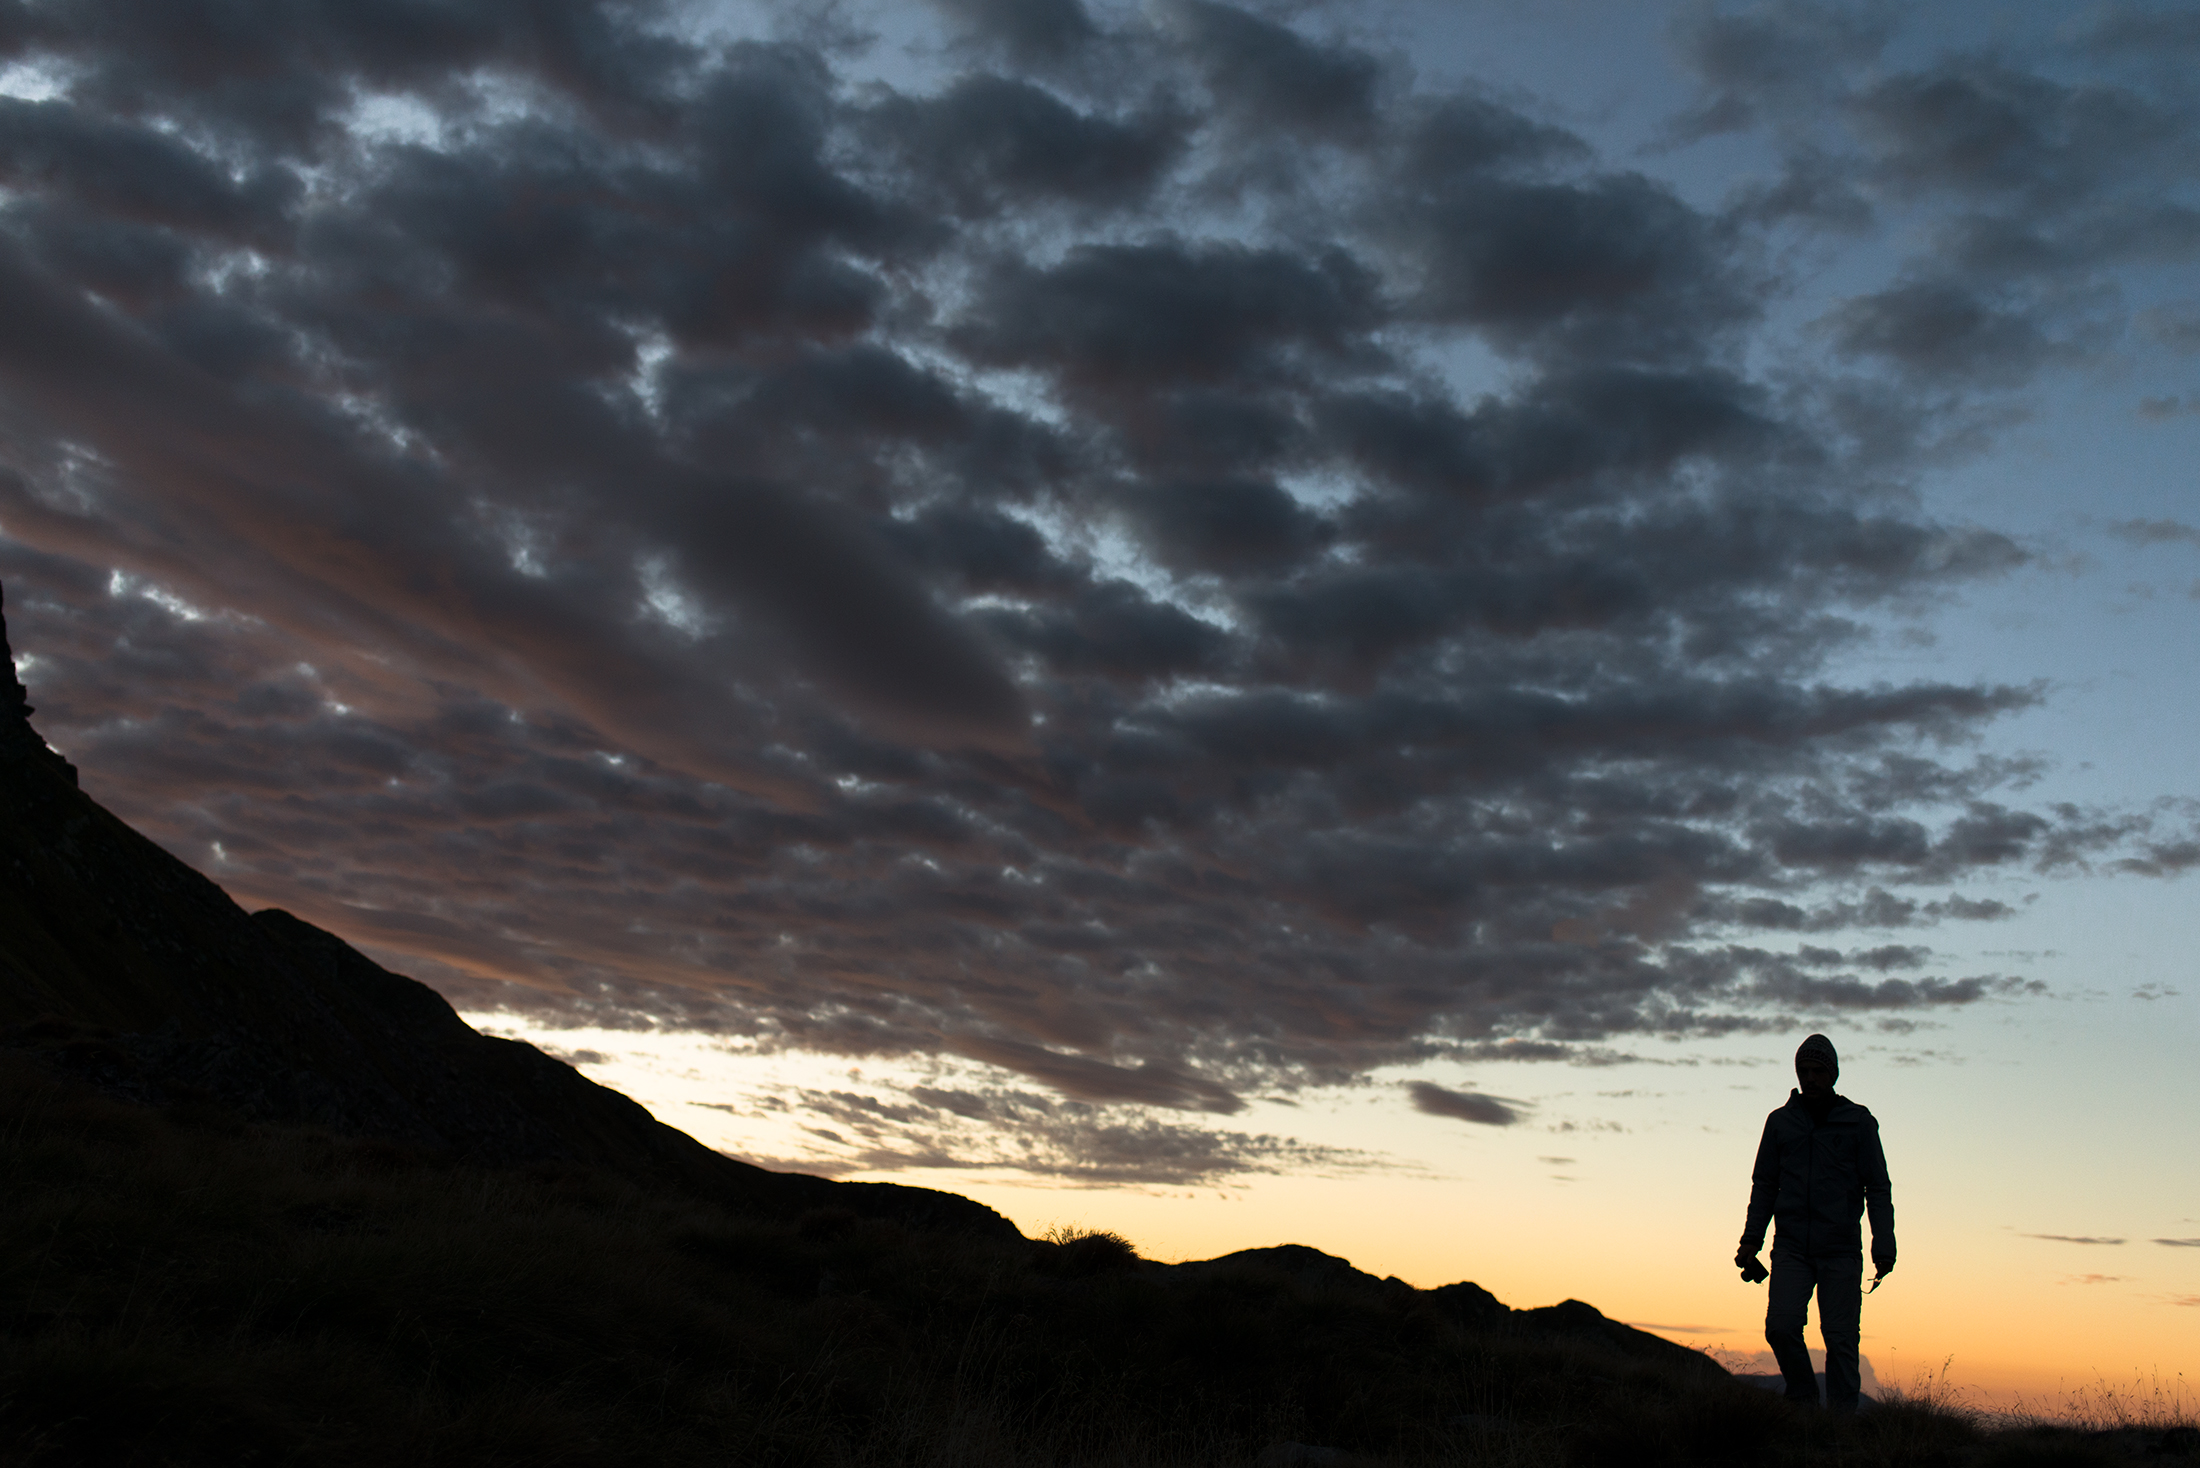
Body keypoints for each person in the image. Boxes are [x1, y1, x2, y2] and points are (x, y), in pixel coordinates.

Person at [1734, 1033, 1894, 1412]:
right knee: (1781, 1327)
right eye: (1804, 1071)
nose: (1810, 1078)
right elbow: (1764, 1186)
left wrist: (1883, 1243)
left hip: (1840, 1249)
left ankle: (1839, 1426)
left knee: (1840, 1340)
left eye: (1818, 1071)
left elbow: (1878, 1187)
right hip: (1790, 1247)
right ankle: (1804, 1399)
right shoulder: (1779, 1123)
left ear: (1833, 1074)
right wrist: (1749, 1243)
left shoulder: (1858, 1122)